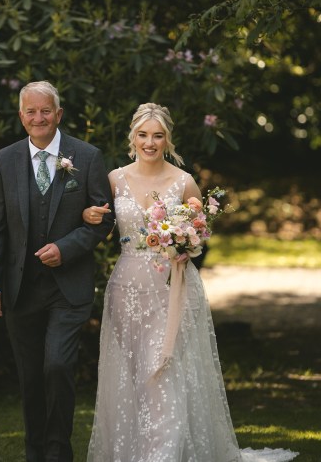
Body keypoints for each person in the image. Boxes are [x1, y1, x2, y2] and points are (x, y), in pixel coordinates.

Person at [83, 103, 299, 462]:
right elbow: (102, 228)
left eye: (157, 136)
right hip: (126, 289)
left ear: (168, 140)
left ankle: (163, 456)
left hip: (173, 288)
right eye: (143, 135)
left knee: (162, 371)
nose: (149, 142)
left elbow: (198, 234)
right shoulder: (114, 179)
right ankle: (131, 450)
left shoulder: (183, 181)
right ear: (131, 137)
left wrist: (185, 245)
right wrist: (88, 215)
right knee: (133, 374)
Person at [0, 80, 114, 462]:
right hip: (20, 288)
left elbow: (103, 220)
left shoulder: (86, 156)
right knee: (31, 378)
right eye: (30, 111)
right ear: (21, 116)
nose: (38, 118)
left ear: (59, 114)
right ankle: (34, 452)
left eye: (45, 111)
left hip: (67, 289)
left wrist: (66, 248)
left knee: (57, 365)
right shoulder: (5, 161)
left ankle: (57, 453)